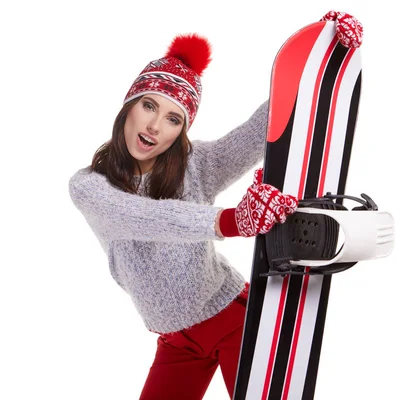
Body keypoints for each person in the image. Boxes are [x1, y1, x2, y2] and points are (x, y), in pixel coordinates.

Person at [68, 33, 298, 400]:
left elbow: (255, 135)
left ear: (180, 130)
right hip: (177, 340)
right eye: (148, 106)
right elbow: (147, 217)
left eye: (173, 118)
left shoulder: (195, 165)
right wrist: (231, 220)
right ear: (128, 106)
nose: (154, 126)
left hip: (233, 319)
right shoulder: (89, 187)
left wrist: (308, 73)